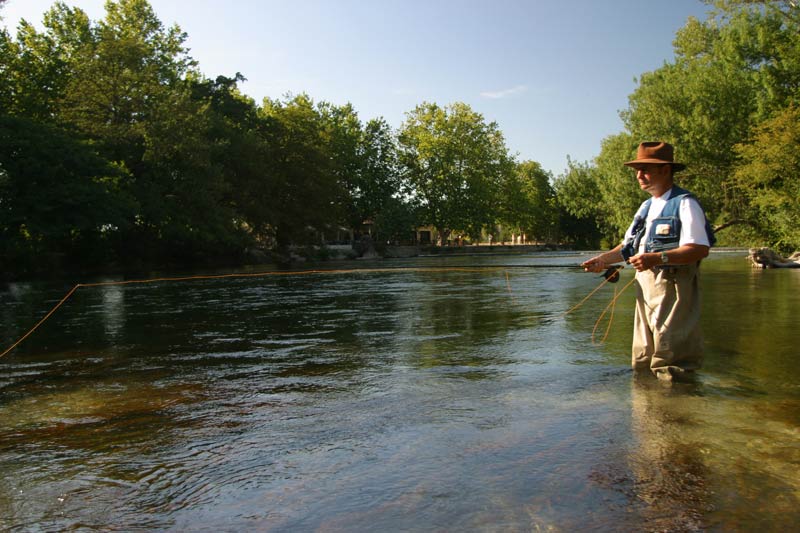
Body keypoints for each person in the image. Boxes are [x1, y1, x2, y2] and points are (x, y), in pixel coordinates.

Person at [581, 142, 715, 381]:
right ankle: (646, 401)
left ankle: (678, 401)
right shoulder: (646, 206)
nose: (638, 175)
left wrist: (656, 258)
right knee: (643, 355)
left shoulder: (685, 203)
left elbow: (699, 249)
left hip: (674, 285)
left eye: (645, 169)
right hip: (644, 285)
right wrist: (603, 260)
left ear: (665, 170)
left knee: (671, 356)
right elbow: (628, 248)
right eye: (637, 170)